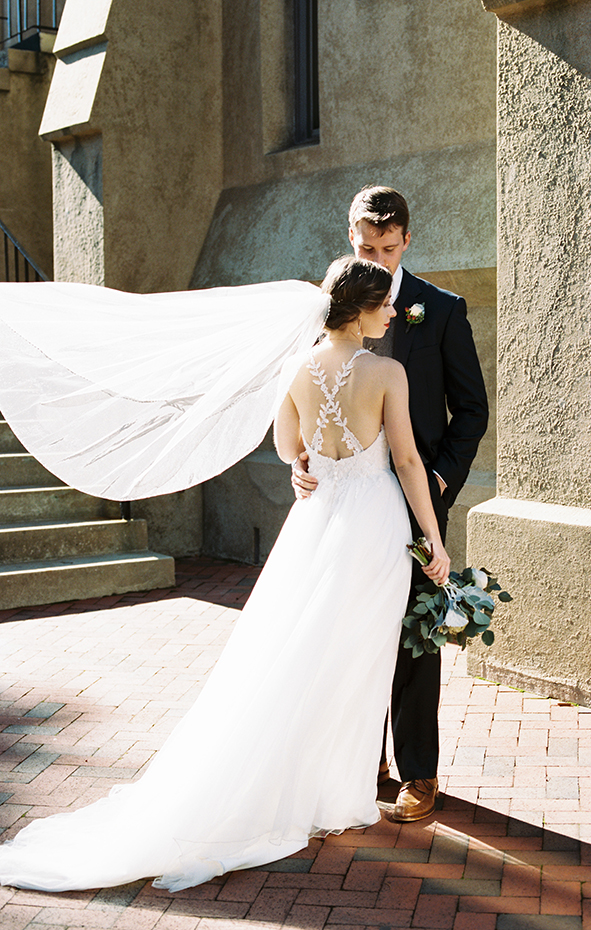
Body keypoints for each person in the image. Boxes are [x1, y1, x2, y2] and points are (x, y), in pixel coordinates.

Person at [0, 256, 449, 893]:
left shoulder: (296, 367)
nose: (392, 314)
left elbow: (286, 443)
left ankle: (310, 780)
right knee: (355, 655)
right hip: (374, 523)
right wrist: (433, 540)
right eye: (383, 306)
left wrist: (304, 466)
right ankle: (329, 790)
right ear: (358, 309)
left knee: (297, 651)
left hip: (317, 523)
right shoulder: (386, 372)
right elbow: (404, 458)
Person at [293, 187, 489, 822]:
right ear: (352, 239)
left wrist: (439, 480)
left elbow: (472, 411)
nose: (376, 257)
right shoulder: (332, 302)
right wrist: (301, 464)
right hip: (346, 503)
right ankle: (361, 758)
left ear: (407, 240)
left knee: (413, 639)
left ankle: (418, 773)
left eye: (386, 247)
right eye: (364, 246)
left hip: (414, 496)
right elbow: (302, 410)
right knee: (349, 627)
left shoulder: (440, 310)